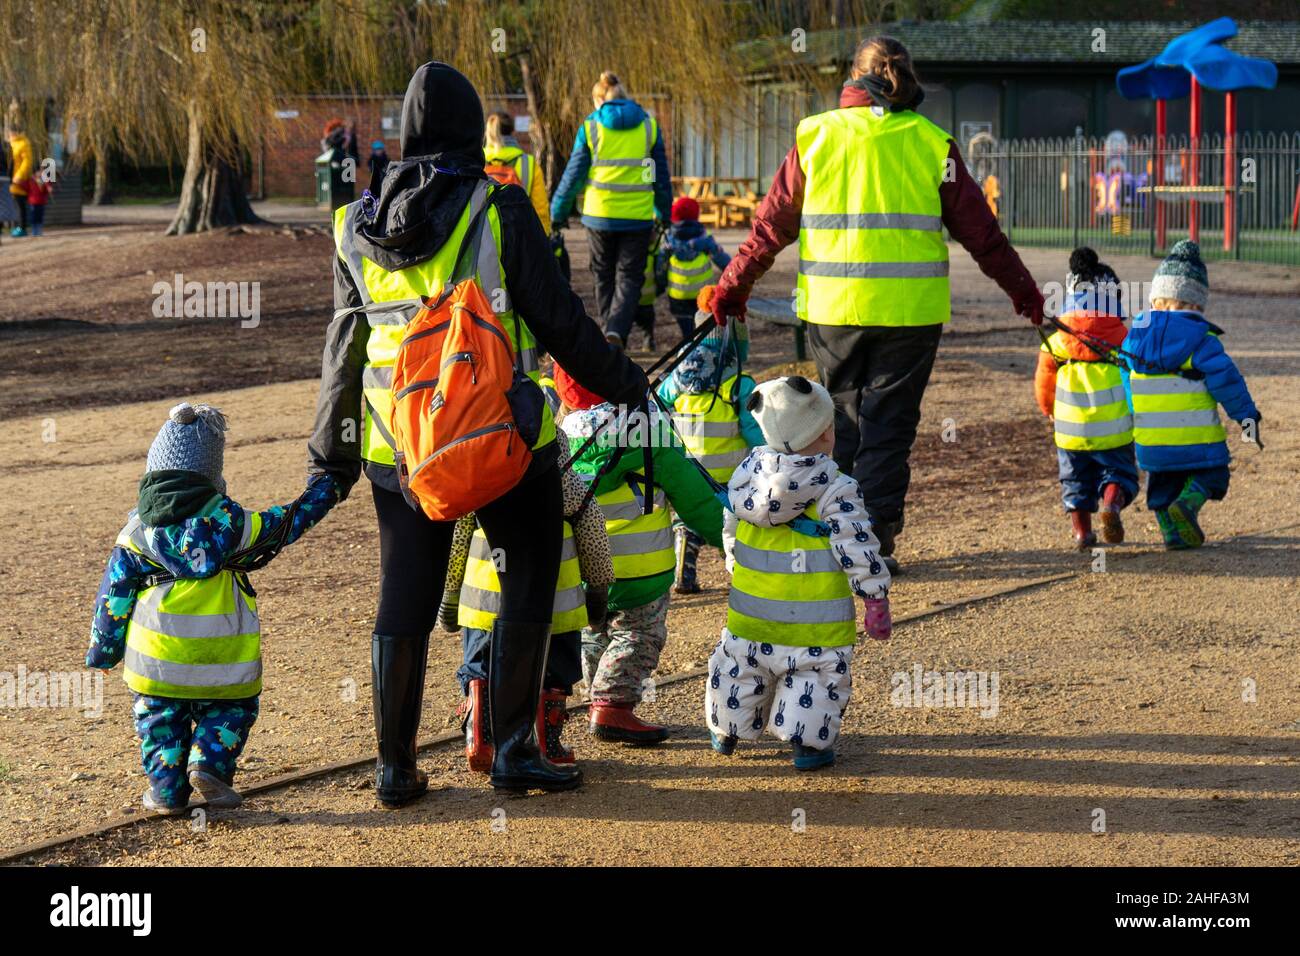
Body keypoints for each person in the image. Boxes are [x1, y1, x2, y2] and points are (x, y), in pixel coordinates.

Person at [309, 62, 647, 804]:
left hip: (397, 449)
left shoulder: (352, 223)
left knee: (405, 590)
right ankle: (515, 750)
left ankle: (395, 768)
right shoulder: (499, 207)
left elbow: (343, 353)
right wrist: (630, 385)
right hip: (501, 436)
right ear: (469, 130)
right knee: (528, 567)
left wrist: (328, 456)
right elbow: (560, 322)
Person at [710, 36, 1044, 573]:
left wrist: (732, 287)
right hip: (910, 314)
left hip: (832, 309)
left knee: (836, 420)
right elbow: (984, 237)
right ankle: (875, 539)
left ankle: (830, 532)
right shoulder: (933, 144)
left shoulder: (815, 136)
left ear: (852, 78)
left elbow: (771, 226)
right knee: (889, 428)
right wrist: (1025, 294)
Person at [87, 403, 341, 813]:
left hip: (157, 663)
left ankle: (167, 791)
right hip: (224, 662)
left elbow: (113, 600)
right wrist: (328, 486)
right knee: (230, 711)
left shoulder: (135, 534)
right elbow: (290, 521)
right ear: (211, 474)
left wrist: (103, 651)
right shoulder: (236, 527)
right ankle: (209, 766)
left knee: (159, 721)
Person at [705, 376, 891, 770]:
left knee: (739, 667)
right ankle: (807, 744)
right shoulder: (836, 488)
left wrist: (733, 560)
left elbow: (730, 524)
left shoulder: (747, 476)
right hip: (816, 626)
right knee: (816, 681)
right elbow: (856, 545)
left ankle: (727, 727)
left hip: (751, 615)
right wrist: (874, 595)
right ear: (826, 433)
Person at [556, 365, 722, 743]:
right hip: (643, 573)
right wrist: (734, 540)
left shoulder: (557, 443)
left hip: (582, 572)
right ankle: (612, 707)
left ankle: (597, 696)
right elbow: (698, 504)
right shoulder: (652, 439)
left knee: (593, 633)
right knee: (638, 636)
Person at [439, 438, 615, 769]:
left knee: (482, 664)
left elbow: (458, 532)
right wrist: (597, 594)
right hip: (553, 601)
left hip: (484, 599)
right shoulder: (559, 469)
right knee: (552, 669)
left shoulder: (475, 467)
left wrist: (448, 597)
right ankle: (548, 743)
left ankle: (481, 733)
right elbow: (591, 527)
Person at [1123, 240, 1262, 549]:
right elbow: (1229, 383)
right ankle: (1188, 504)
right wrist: (1247, 418)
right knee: (1213, 475)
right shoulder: (1203, 340)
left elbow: (1125, 380)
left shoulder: (1133, 339)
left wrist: (1134, 410)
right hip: (1198, 441)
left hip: (1152, 440)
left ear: (1156, 300)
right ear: (1197, 304)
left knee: (1160, 489)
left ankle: (1172, 535)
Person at [550, 71, 673, 349]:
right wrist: (664, 214)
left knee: (602, 274)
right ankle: (616, 331)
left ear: (598, 99)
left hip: (599, 216)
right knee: (629, 278)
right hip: (637, 217)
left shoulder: (591, 127)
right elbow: (659, 178)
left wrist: (558, 213)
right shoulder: (649, 127)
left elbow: (573, 176)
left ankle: (609, 334)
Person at [1033, 247, 1137, 549]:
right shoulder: (1123, 338)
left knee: (1075, 481)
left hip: (1069, 428)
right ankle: (1111, 505)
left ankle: (1083, 533)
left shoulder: (1057, 340)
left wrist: (1048, 408)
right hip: (1114, 426)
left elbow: (1044, 379)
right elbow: (1136, 380)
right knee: (1118, 472)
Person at [656, 305, 762, 593]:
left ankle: (684, 565)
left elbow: (657, 408)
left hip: (689, 470)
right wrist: (768, 453)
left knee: (689, 519)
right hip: (730, 471)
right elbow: (753, 428)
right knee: (733, 522)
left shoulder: (677, 377)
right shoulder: (738, 381)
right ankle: (739, 568)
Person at [662, 197, 731, 340]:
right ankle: (698, 345)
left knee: (685, 328)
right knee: (701, 325)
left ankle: (687, 342)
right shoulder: (705, 240)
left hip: (677, 293)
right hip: (702, 293)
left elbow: (660, 265)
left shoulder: (669, 240)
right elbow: (722, 260)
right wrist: (733, 273)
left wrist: (660, 284)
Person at [483, 111, 550, 232]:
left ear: (488, 132)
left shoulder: (476, 161)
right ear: (513, 132)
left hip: (483, 235)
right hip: (518, 234)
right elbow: (540, 209)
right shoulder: (529, 163)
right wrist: (544, 237)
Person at [6, 123, 32, 237]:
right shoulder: (11, 144)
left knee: (19, 204)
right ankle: (16, 226)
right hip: (10, 179)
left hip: (18, 179)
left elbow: (27, 162)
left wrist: (20, 176)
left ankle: (22, 227)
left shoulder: (23, 143)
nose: (10, 134)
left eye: (11, 132)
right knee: (13, 204)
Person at [25, 171, 50, 237]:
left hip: (41, 202)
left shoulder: (44, 181)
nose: (40, 173)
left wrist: (48, 188)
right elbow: (26, 188)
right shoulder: (31, 180)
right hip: (33, 201)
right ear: (35, 173)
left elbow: (46, 191)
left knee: (40, 216)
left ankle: (39, 231)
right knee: (33, 217)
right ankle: (34, 231)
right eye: (39, 172)